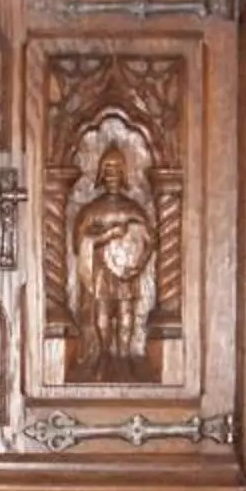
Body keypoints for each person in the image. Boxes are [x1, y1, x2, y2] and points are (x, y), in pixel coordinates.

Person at [70, 143, 157, 372]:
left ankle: (125, 355)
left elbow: (149, 240)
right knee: (103, 311)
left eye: (117, 170)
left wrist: (137, 265)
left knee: (126, 311)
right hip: (102, 270)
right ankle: (104, 354)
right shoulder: (91, 210)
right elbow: (79, 242)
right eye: (107, 170)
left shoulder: (134, 209)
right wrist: (108, 235)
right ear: (100, 174)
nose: (112, 176)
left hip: (127, 272)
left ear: (124, 174)